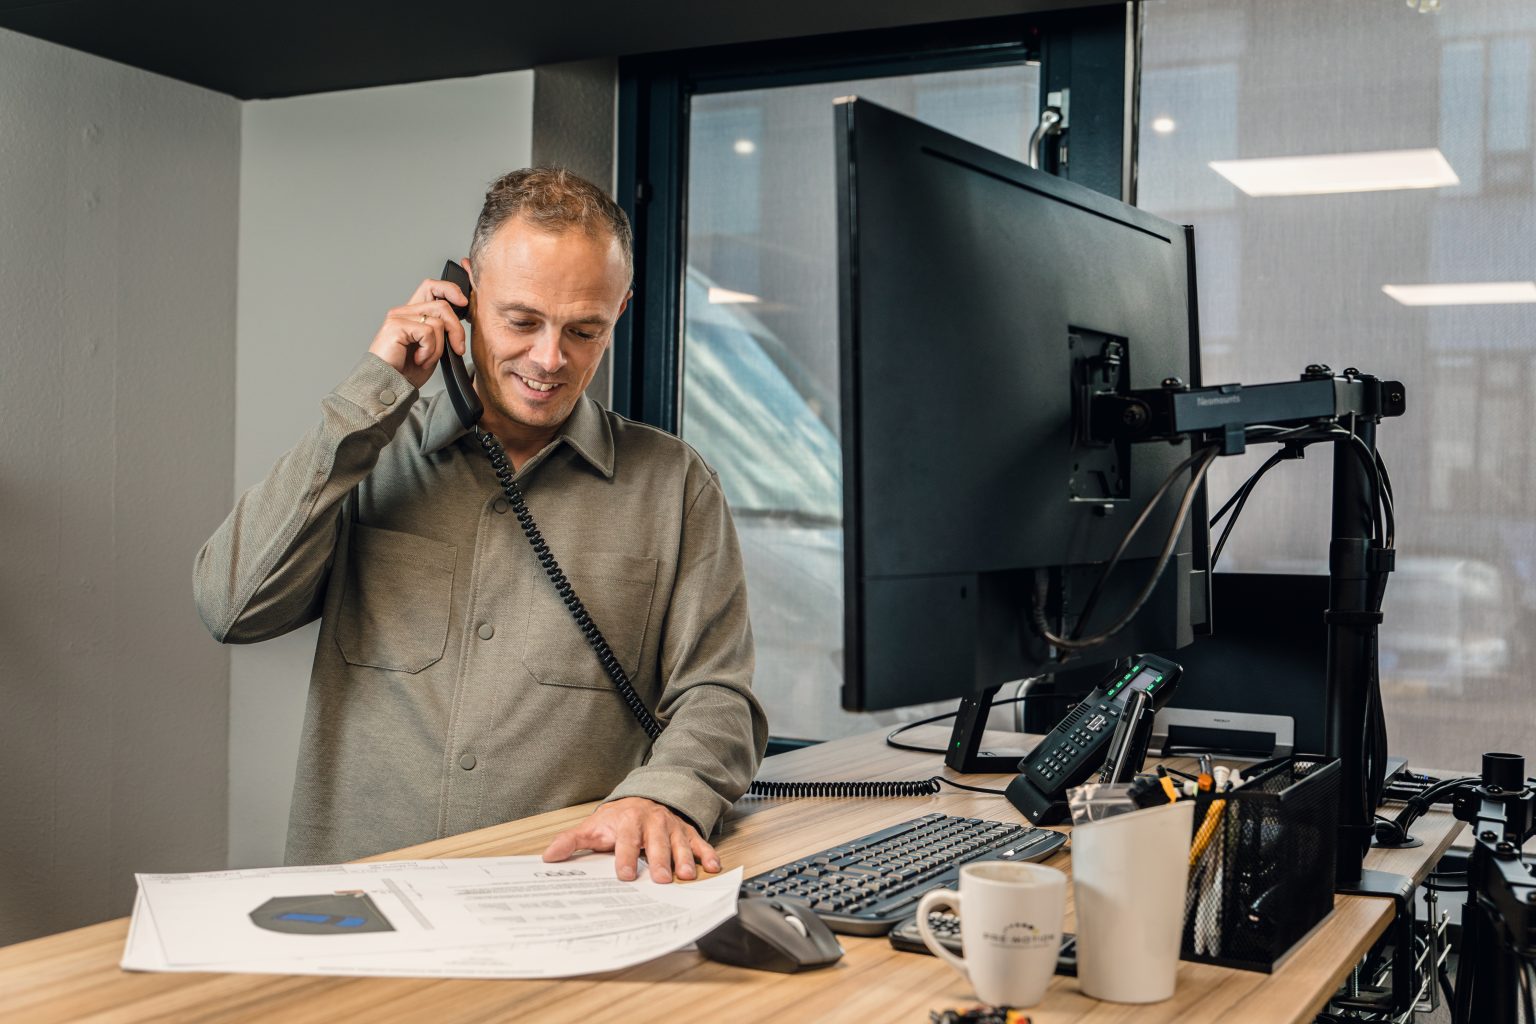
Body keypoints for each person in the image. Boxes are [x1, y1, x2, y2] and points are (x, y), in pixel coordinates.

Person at [194, 167, 767, 883]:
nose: (550, 359)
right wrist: (373, 393)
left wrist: (664, 795)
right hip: (362, 910)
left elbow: (718, 698)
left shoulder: (676, 486)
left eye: (584, 330)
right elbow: (230, 605)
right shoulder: (366, 457)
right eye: (522, 321)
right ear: (461, 297)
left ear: (619, 311)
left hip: (567, 905)